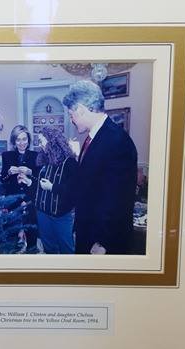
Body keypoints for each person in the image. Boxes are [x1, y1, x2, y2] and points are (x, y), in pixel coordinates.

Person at [62, 80, 138, 254]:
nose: (71, 119)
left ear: (80, 109)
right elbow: (88, 183)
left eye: (71, 113)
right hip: (88, 232)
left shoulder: (116, 140)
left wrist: (103, 242)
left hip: (102, 242)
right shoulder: (95, 137)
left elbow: (119, 199)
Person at [18, 127, 77, 254]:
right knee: (49, 248)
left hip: (61, 216)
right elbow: (40, 186)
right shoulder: (45, 160)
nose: (40, 145)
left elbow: (75, 190)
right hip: (42, 213)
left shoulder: (70, 162)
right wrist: (29, 182)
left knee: (67, 248)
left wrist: (52, 187)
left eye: (41, 141)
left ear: (52, 141)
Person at [0, 125, 39, 250]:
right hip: (12, 200)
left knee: (31, 231)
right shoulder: (6, 155)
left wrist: (31, 172)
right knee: (12, 234)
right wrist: (9, 173)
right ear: (13, 141)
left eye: (24, 139)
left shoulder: (36, 155)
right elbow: (2, 180)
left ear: (29, 140)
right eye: (18, 140)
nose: (22, 143)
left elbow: (40, 180)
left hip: (31, 199)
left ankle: (32, 256)